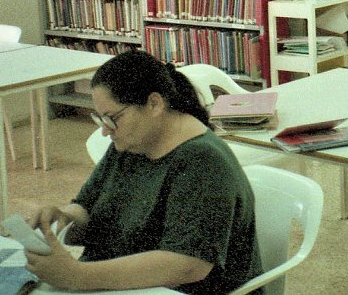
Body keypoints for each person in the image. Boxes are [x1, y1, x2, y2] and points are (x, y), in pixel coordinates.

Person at [25, 50, 263, 293]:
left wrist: (78, 276)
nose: (106, 130)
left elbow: (188, 265)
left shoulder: (202, 162)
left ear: (154, 104)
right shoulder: (131, 144)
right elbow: (87, 207)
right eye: (101, 119)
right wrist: (64, 219)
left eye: (112, 118)